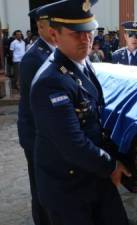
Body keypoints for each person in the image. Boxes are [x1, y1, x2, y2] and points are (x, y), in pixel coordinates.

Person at [30, 1, 131, 224]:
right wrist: (111, 165)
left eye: (89, 32)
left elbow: (96, 117)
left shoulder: (82, 64)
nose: (86, 39)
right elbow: (72, 143)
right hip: (68, 186)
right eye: (77, 34)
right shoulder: (51, 81)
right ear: (55, 36)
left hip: (92, 174)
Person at [17, 6, 56, 225]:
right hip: (36, 135)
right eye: (52, 24)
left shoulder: (53, 51)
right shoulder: (34, 57)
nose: (56, 29)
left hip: (45, 133)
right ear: (40, 26)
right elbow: (38, 106)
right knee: (40, 188)